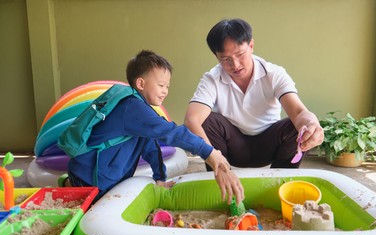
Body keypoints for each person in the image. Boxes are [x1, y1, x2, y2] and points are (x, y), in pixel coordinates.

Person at [66, 50, 244, 204]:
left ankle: (71, 184)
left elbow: (150, 146)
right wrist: (208, 151)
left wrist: (160, 177)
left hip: (100, 176)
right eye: (161, 85)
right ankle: (70, 187)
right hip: (90, 177)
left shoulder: (139, 114)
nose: (165, 91)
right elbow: (171, 132)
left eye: (167, 86)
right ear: (141, 84)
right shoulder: (132, 107)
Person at [184, 18, 324, 174]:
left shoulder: (274, 74)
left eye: (240, 54)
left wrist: (312, 124)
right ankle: (220, 175)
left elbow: (298, 112)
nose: (235, 65)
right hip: (230, 148)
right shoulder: (212, 79)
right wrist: (211, 155)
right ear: (217, 57)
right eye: (226, 59)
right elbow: (192, 119)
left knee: (296, 127)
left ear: (251, 46)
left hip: (268, 144)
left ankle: (282, 181)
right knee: (208, 121)